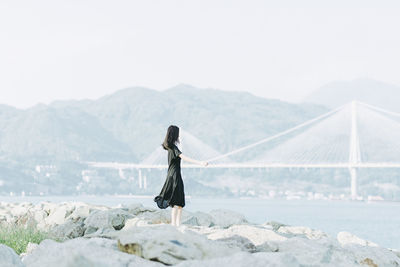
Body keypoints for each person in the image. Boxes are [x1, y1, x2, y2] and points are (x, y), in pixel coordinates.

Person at [154, 125, 208, 226]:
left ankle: (177, 224)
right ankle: (175, 224)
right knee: (176, 202)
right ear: (175, 134)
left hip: (173, 174)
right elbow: (184, 157)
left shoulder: (170, 147)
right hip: (174, 176)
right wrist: (200, 163)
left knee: (178, 202)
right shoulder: (173, 148)